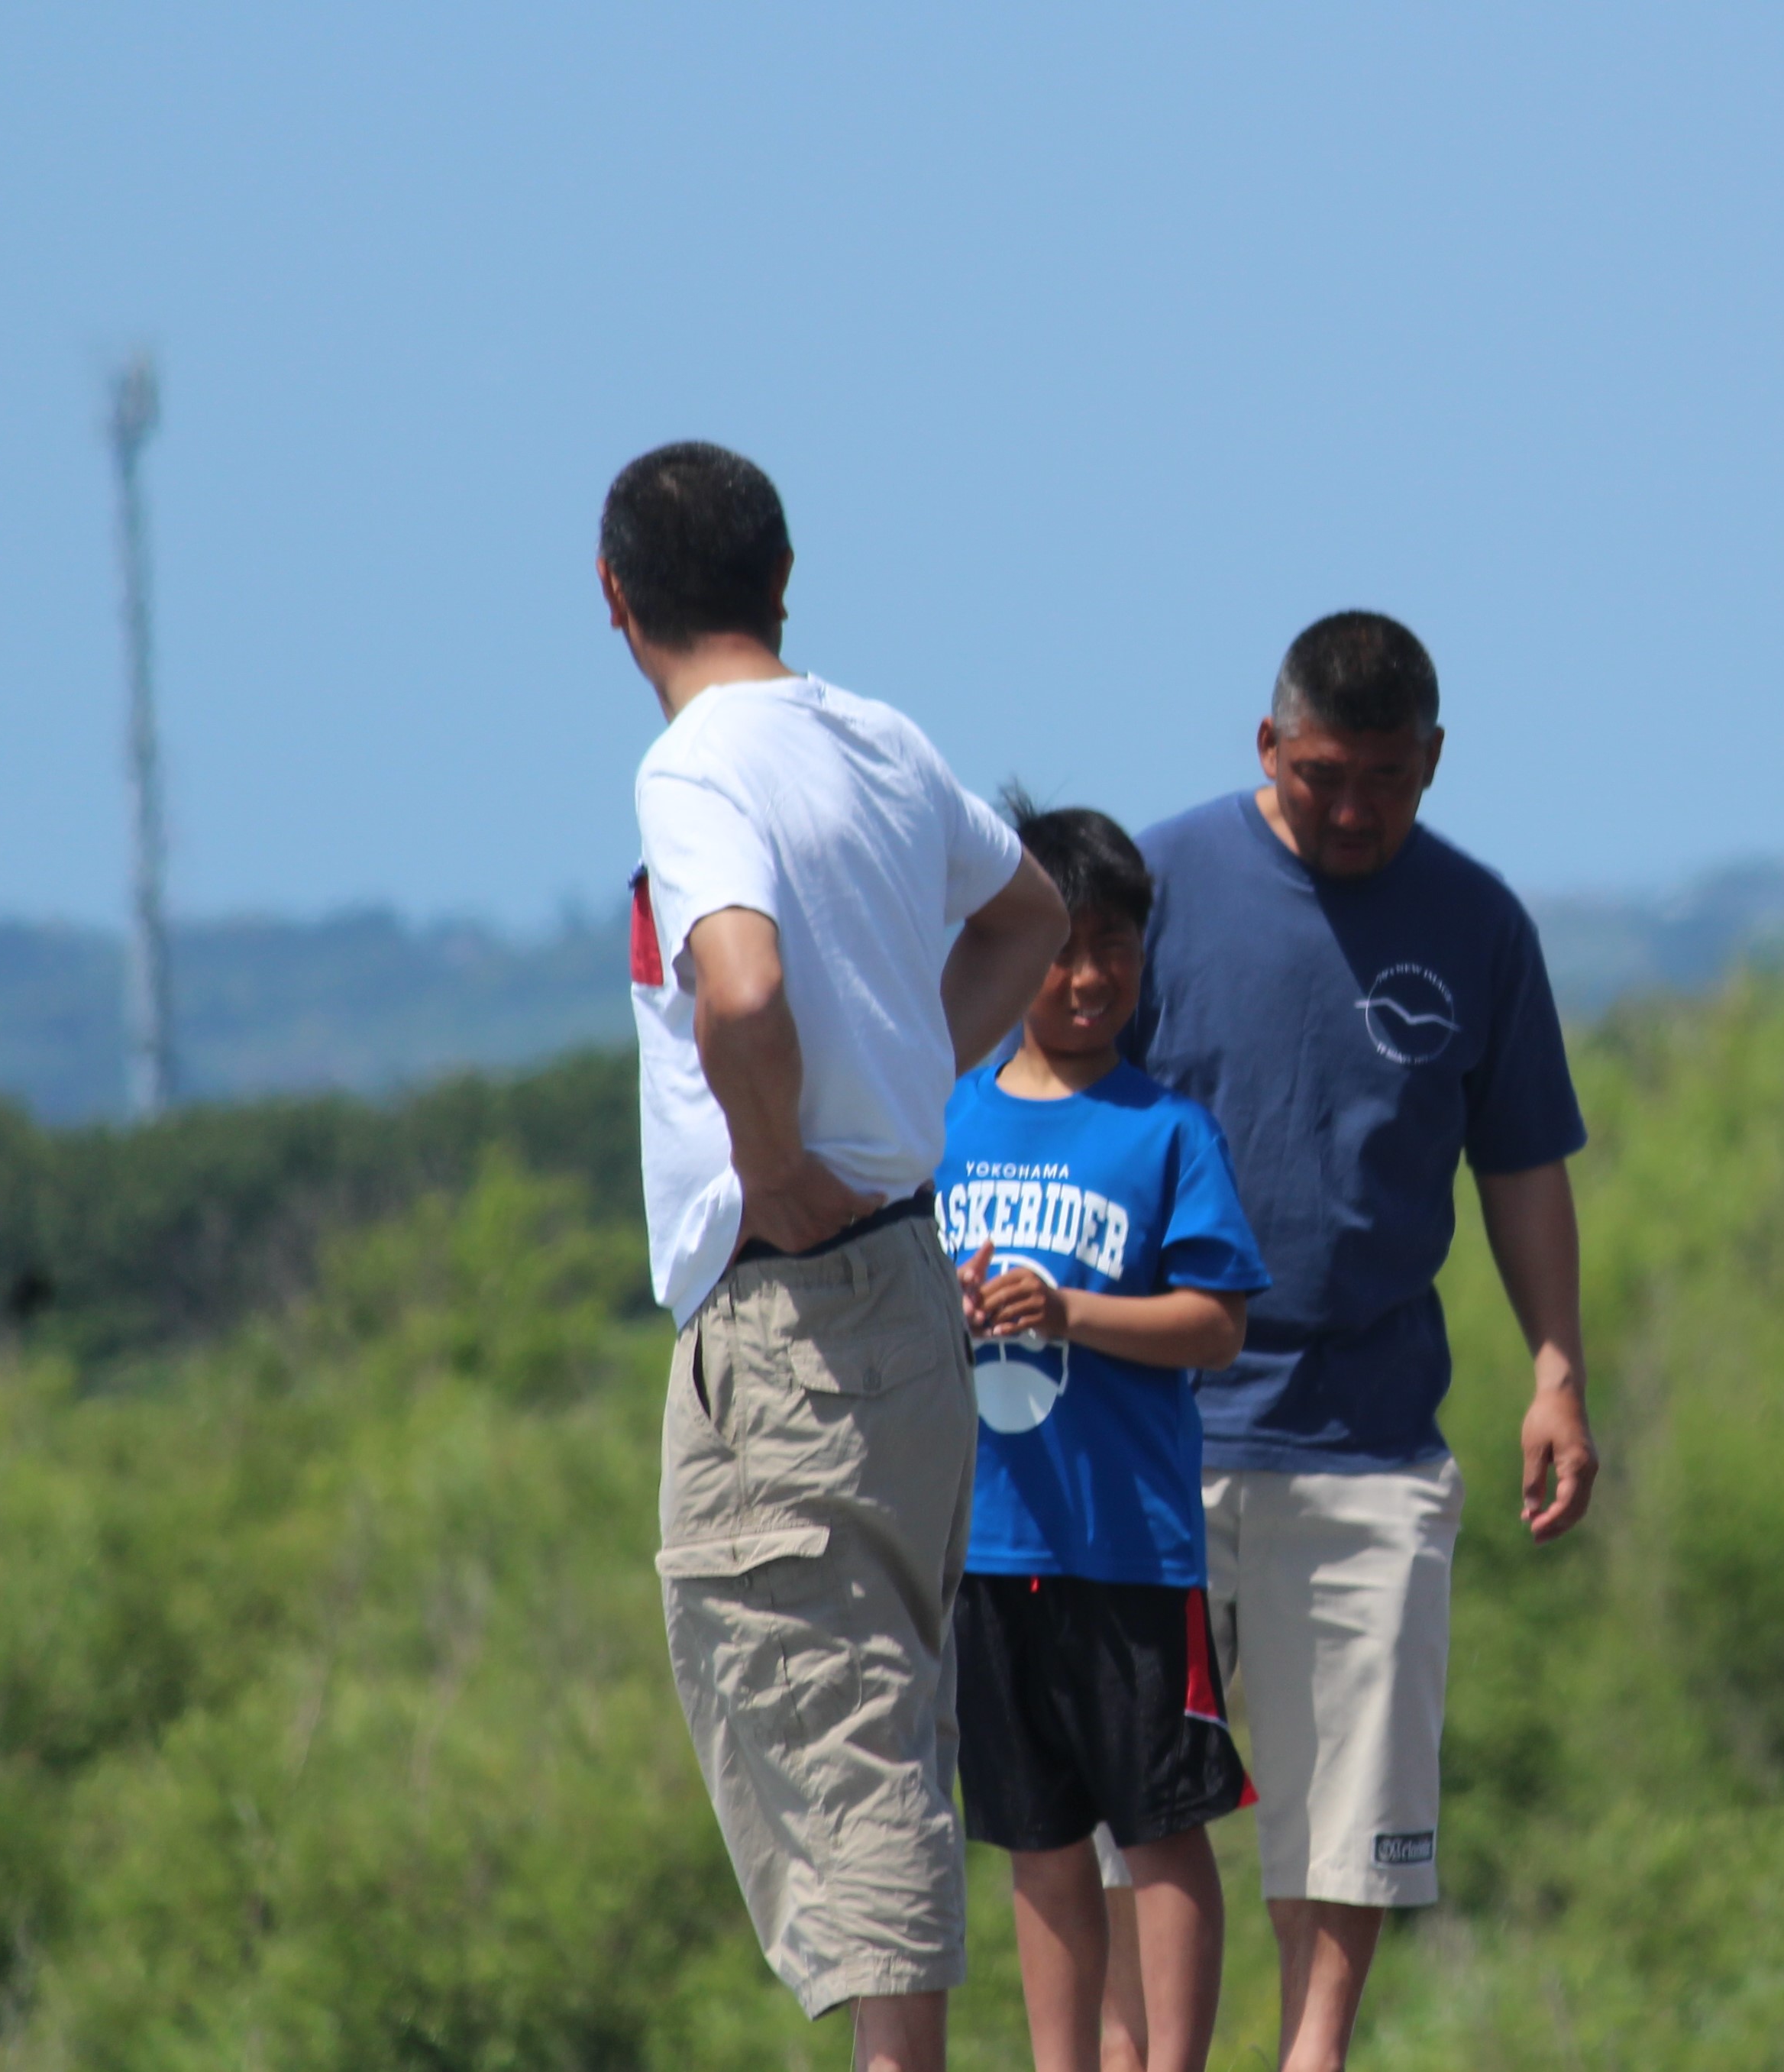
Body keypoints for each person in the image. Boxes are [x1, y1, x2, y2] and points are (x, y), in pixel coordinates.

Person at [603, 440, 1068, 2072]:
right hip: (904, 1289)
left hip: (795, 1310)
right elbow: (1029, 913)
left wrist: (779, 1155)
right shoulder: (876, 735)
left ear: (617, 603)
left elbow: (737, 986)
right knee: (881, 1721)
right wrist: (900, 1090)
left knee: (843, 1737)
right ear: (783, 581)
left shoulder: (694, 768)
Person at [1115, 609, 1600, 2072]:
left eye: (1385, 777)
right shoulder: (1155, 888)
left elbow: (1519, 1161)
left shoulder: (1478, 924)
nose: (1351, 809)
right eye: (1323, 773)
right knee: (1145, 1799)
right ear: (1267, 746)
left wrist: (1556, 1370)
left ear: (1433, 762)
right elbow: (1058, 1109)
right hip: (1151, 1434)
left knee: (1356, 1807)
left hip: (1371, 1436)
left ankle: (1312, 2055)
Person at [936, 797, 1272, 2072]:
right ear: (1003, 947)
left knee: (1161, 1827)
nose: (1087, 977)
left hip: (1132, 1549)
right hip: (990, 1544)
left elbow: (1217, 1323)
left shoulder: (1166, 1128)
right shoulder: (946, 1117)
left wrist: (1069, 1306)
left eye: (1116, 946)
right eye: (1061, 946)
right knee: (1036, 1837)